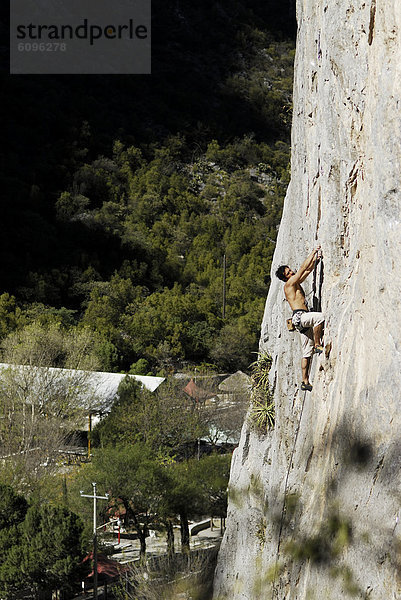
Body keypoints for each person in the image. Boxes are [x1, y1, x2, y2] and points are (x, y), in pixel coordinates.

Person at [275, 247, 324, 392]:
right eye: (289, 272)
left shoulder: (294, 283)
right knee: (320, 317)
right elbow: (303, 268)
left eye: (291, 270)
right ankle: (317, 344)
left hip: (300, 320)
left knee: (306, 353)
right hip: (300, 317)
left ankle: (305, 381)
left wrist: (316, 261)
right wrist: (314, 252)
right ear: (285, 277)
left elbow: (307, 271)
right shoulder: (289, 284)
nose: (292, 272)